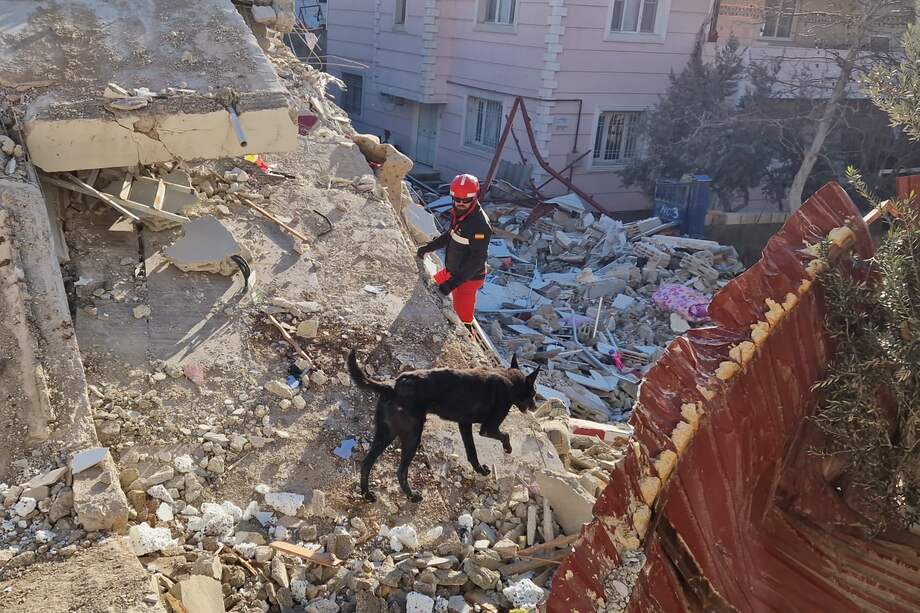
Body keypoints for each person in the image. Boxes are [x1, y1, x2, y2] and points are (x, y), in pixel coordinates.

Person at [416, 174, 492, 334]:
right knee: (428, 290)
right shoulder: (459, 213)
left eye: (466, 200)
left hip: (468, 279)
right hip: (452, 271)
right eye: (457, 199)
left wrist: (451, 284)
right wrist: (428, 248)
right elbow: (451, 234)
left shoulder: (479, 225)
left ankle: (470, 345)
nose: (461, 203)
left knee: (462, 320)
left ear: (475, 197)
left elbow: (477, 261)